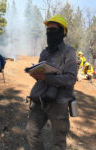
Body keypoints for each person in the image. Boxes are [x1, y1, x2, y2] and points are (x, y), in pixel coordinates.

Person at [26, 15, 77, 150]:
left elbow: (71, 78)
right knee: (31, 132)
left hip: (59, 103)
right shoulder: (44, 52)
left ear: (62, 32)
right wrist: (36, 74)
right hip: (40, 99)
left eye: (53, 30)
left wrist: (47, 78)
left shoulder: (69, 52)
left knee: (59, 142)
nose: (49, 33)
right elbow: (41, 73)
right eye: (47, 30)